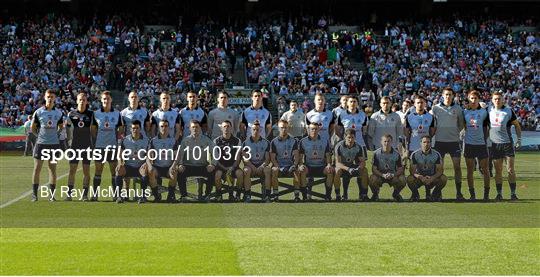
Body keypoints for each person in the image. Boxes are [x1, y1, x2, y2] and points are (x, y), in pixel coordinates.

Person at [431, 88, 465, 200]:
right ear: (442, 95)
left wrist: (454, 132)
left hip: (454, 142)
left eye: (450, 95)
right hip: (439, 142)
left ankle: (459, 193)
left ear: (453, 96)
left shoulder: (458, 109)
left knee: (457, 167)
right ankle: (438, 193)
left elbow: (461, 124)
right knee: (439, 169)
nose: (448, 96)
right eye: (446, 94)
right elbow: (432, 123)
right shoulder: (435, 108)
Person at [90, 91, 125, 201]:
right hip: (100, 146)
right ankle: (95, 195)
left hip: (112, 147)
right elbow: (93, 130)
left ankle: (115, 195)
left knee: (114, 171)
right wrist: (98, 139)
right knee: (98, 171)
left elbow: (121, 128)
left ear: (111, 100)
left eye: (108, 99)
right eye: (104, 99)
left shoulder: (117, 113)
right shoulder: (96, 113)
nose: (106, 100)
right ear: (101, 100)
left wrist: (116, 138)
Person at [30, 89, 64, 201]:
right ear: (45, 97)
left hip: (53, 144)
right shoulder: (38, 112)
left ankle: (52, 196)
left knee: (52, 169)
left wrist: (57, 134)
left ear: (55, 98)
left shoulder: (58, 113)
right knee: (37, 169)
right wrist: (38, 136)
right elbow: (32, 128)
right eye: (48, 96)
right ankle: (35, 195)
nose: (50, 98)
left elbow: (61, 126)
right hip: (41, 144)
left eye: (52, 97)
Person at [488, 91, 522, 200]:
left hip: (507, 144)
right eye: (495, 99)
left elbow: (517, 125)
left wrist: (519, 139)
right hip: (495, 145)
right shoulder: (488, 110)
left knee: (510, 170)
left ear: (503, 100)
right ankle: (499, 194)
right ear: (492, 100)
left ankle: (513, 194)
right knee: (498, 171)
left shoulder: (508, 111)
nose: (497, 100)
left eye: (499, 99)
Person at [174, 120, 216, 202]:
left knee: (212, 172)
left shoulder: (206, 140)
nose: (195, 129)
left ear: (200, 128)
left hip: (202, 166)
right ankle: (184, 196)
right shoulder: (185, 140)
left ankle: (207, 195)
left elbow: (215, 153)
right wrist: (180, 164)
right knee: (180, 172)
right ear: (189, 128)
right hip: (188, 166)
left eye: (197, 127)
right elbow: (180, 154)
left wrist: (213, 164)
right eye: (193, 127)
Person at [463, 90, 491, 201]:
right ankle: (472, 195)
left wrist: (484, 139)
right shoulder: (464, 112)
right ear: (468, 99)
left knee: (485, 170)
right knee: (470, 170)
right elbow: (463, 126)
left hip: (481, 145)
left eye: (475, 98)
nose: (473, 100)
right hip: (469, 144)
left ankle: (486, 195)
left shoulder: (484, 112)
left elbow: (488, 127)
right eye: (471, 98)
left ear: (478, 99)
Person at [65, 92, 93, 201]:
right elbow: (67, 128)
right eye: (80, 99)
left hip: (87, 146)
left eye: (84, 99)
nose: (82, 101)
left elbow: (94, 129)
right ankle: (69, 194)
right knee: (72, 170)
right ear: (77, 101)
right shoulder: (71, 114)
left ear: (86, 102)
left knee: (86, 171)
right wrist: (68, 142)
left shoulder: (91, 114)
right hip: (74, 146)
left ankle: (85, 195)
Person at [114, 120, 149, 204]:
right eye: (133, 128)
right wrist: (120, 163)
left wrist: (146, 163)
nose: (135, 130)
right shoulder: (125, 140)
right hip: (129, 166)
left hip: (140, 166)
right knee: (119, 170)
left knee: (144, 170)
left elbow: (149, 155)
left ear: (140, 129)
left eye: (137, 128)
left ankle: (143, 196)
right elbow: (119, 154)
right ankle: (119, 196)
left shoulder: (146, 140)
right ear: (130, 129)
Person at [298, 122, 335, 201]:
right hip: (309, 166)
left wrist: (329, 164)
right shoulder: (303, 141)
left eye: (316, 129)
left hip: (321, 166)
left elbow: (328, 155)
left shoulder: (325, 141)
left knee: (330, 171)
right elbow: (300, 157)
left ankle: (328, 196)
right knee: (302, 170)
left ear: (319, 129)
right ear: (308, 130)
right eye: (312, 129)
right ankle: (305, 197)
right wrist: (301, 165)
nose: (314, 131)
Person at [144, 120, 178, 203]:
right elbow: (148, 156)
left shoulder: (173, 140)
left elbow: (176, 157)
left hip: (168, 167)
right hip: (157, 167)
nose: (164, 128)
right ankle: (156, 196)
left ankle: (170, 196)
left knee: (174, 171)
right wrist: (150, 166)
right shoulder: (153, 140)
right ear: (159, 128)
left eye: (166, 126)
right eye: (162, 126)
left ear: (169, 128)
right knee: (150, 171)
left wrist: (173, 166)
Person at [407, 136, 448, 202]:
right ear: (420, 143)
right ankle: (415, 194)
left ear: (431, 143)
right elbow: (412, 171)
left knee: (444, 178)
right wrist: (420, 177)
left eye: (428, 142)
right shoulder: (415, 154)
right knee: (409, 179)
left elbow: (440, 171)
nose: (426, 144)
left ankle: (435, 194)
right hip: (419, 178)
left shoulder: (436, 154)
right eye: (424, 142)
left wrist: (432, 178)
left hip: (432, 177)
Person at [270, 120, 301, 202]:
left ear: (288, 128)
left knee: (296, 171)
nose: (284, 129)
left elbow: (296, 155)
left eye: (285, 128)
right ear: (278, 129)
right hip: (278, 165)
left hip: (290, 165)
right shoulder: (274, 142)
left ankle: (297, 196)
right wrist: (277, 166)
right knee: (274, 170)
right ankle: (276, 195)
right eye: (281, 127)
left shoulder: (294, 140)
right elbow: (272, 158)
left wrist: (294, 165)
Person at [334, 128, 369, 201]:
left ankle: (364, 194)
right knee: (338, 171)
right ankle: (338, 195)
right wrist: (348, 169)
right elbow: (337, 163)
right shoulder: (339, 146)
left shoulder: (358, 147)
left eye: (352, 137)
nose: (350, 140)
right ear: (345, 137)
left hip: (351, 165)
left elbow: (362, 162)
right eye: (349, 137)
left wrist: (358, 168)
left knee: (364, 170)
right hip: (341, 166)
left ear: (355, 137)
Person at [213, 120, 243, 202]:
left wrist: (232, 168)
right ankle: (219, 195)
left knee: (240, 174)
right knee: (218, 175)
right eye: (224, 127)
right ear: (221, 129)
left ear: (231, 128)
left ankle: (237, 194)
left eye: (228, 126)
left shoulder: (237, 141)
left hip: (233, 166)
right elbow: (215, 158)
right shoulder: (216, 141)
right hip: (220, 166)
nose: (226, 128)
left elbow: (238, 157)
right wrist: (224, 168)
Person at [369, 134, 406, 201]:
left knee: (402, 179)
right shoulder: (376, 153)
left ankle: (396, 194)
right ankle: (375, 194)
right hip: (380, 175)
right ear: (381, 142)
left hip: (392, 176)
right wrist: (382, 175)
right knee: (372, 178)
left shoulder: (396, 154)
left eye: (388, 141)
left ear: (392, 142)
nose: (386, 143)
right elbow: (374, 169)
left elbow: (400, 169)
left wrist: (393, 174)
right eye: (385, 141)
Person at [242, 121, 271, 203]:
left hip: (262, 165)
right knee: (246, 170)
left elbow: (267, 159)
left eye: (257, 129)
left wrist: (261, 167)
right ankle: (247, 195)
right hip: (250, 165)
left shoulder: (266, 142)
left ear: (261, 130)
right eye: (254, 129)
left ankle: (267, 195)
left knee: (268, 170)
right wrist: (253, 167)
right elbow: (245, 159)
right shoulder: (246, 143)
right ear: (251, 130)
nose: (256, 131)